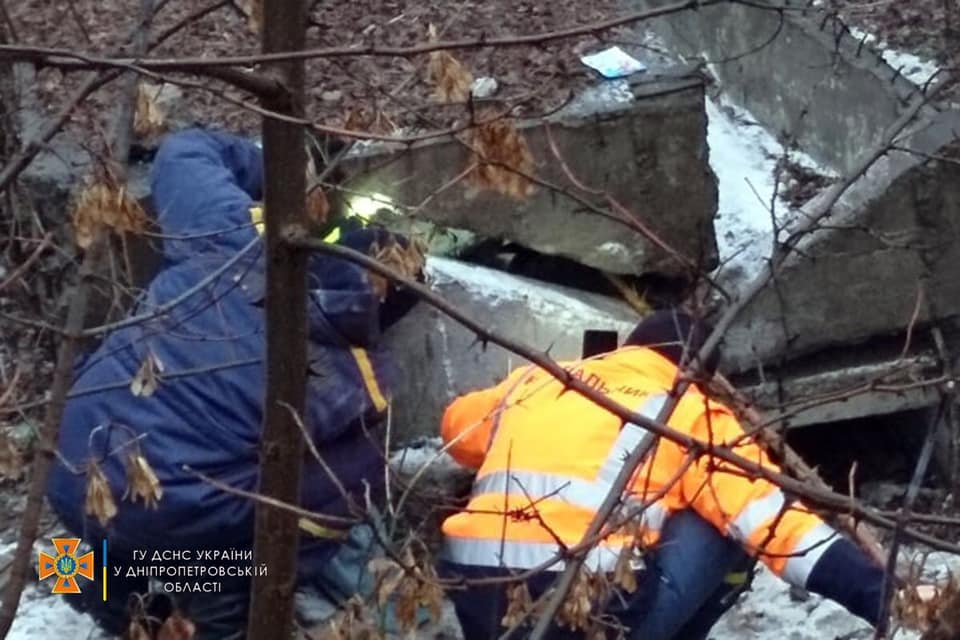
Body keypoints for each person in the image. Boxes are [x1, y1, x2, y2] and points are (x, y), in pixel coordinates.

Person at [47, 128, 421, 638]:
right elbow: (328, 513)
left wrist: (287, 178)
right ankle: (216, 613)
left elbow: (185, 150)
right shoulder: (353, 383)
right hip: (174, 528)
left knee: (108, 539)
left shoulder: (227, 238)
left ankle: (73, 578)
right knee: (323, 502)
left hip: (67, 470)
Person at [438, 309, 887, 639]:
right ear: (699, 375)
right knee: (723, 521)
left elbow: (457, 430)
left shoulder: (540, 379)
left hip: (479, 596)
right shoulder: (687, 409)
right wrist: (883, 597)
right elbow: (775, 522)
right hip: (588, 618)